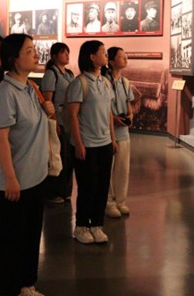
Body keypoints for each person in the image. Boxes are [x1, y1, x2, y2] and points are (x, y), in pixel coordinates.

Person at [0, 34, 54, 296]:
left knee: (30, 236)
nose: (36, 54)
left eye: (34, 49)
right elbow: (1, 139)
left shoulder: (30, 87)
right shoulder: (5, 93)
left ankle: (27, 284)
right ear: (13, 59)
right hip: (15, 181)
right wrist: (10, 178)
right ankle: (9, 289)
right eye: (29, 51)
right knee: (10, 242)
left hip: (36, 177)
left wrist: (47, 110)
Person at [67, 40, 117, 244]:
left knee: (102, 186)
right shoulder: (79, 83)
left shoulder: (105, 82)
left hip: (105, 143)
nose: (106, 55)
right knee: (88, 186)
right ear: (92, 57)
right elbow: (72, 115)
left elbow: (108, 112)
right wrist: (78, 144)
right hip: (87, 144)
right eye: (103, 52)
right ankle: (81, 226)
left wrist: (113, 139)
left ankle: (97, 224)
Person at [41, 42, 75, 204]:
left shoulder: (69, 74)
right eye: (63, 52)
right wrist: (54, 121)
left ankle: (66, 191)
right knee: (57, 156)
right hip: (58, 120)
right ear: (54, 56)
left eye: (68, 52)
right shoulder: (51, 74)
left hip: (69, 121)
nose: (67, 55)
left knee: (69, 157)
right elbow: (47, 101)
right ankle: (53, 192)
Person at [103, 47, 135, 218]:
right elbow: (103, 107)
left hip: (123, 132)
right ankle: (109, 203)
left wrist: (130, 115)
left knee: (123, 169)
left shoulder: (125, 82)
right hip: (108, 132)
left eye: (125, 56)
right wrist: (113, 118)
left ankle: (121, 201)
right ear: (111, 61)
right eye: (122, 57)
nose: (125, 59)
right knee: (108, 169)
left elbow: (129, 103)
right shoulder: (104, 81)